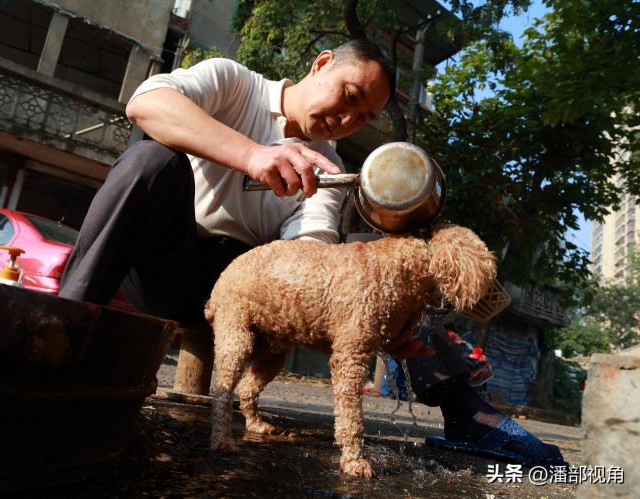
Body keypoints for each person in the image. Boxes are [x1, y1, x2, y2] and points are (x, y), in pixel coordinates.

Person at [58, 39, 566, 469]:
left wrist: (374, 317)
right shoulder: (233, 83)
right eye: (349, 96)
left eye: (363, 117)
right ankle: (62, 337)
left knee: (400, 256)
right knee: (150, 160)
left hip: (258, 295)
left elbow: (313, 250)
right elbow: (145, 104)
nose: (346, 119)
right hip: (166, 268)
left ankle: (463, 409)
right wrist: (254, 155)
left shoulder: (328, 167)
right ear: (322, 64)